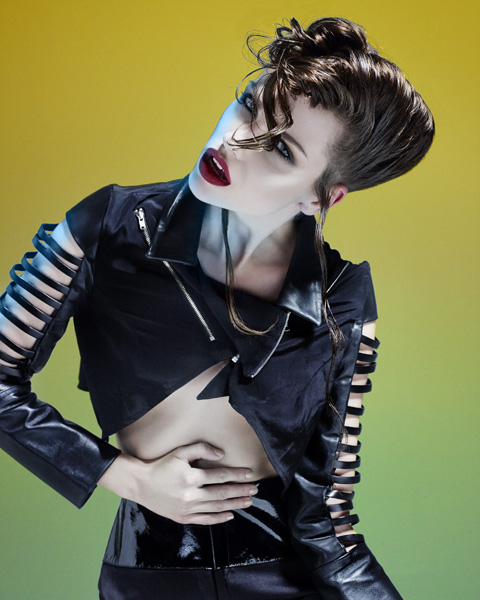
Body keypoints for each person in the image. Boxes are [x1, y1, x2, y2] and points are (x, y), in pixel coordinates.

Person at [0, 16, 434, 600]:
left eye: (280, 148)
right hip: (146, 577)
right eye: (250, 105)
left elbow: (326, 516)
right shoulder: (107, 228)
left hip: (289, 581)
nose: (236, 140)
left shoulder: (343, 297)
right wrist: (129, 479)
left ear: (321, 196)